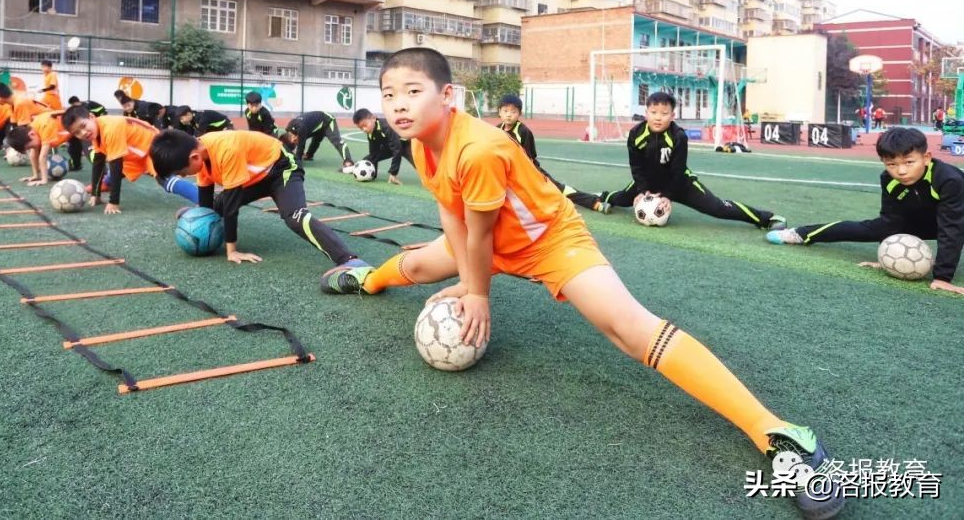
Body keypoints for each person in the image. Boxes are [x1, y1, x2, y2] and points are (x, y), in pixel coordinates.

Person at [321, 48, 843, 519]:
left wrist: (476, 291)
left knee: (628, 329)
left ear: (447, 95)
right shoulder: (419, 145)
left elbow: (477, 235)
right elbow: (454, 220)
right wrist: (464, 276)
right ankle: (365, 277)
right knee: (411, 268)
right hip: (492, 242)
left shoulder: (478, 147)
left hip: (551, 241)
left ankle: (779, 434)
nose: (399, 105)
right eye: (389, 95)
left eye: (413, 91)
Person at [768, 128, 964, 294]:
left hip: (957, 219)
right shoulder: (889, 179)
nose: (901, 171)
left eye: (909, 162)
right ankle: (800, 233)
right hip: (925, 220)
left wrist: (942, 277)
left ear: (926, 158)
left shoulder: (948, 180)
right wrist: (888, 254)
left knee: (953, 232)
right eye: (892, 165)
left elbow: (952, 228)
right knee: (871, 228)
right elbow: (890, 220)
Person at [150, 129, 366, 268]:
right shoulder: (199, 153)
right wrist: (199, 219)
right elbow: (207, 199)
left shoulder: (227, 149)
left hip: (281, 169)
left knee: (294, 216)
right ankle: (191, 214)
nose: (184, 176)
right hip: (254, 177)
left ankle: (348, 259)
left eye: (183, 173)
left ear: (193, 157)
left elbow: (233, 208)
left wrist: (232, 251)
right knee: (216, 206)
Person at [598, 92, 786, 230]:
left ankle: (765, 218)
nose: (658, 117)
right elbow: (636, 166)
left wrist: (667, 196)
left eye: (664, 113)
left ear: (672, 116)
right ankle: (599, 197)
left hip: (680, 183)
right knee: (619, 198)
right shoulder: (636, 134)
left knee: (718, 207)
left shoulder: (678, 136)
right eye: (654, 112)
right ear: (646, 113)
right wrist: (641, 191)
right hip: (648, 183)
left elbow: (678, 171)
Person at [61, 105, 198, 214]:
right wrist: (95, 195)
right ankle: (99, 186)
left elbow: (116, 165)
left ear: (91, 117)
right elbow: (98, 162)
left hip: (153, 148)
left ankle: (204, 199)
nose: (83, 133)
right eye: (77, 133)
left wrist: (113, 202)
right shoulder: (96, 132)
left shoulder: (110, 128)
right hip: (134, 154)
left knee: (164, 180)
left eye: (83, 126)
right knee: (111, 174)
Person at [496, 94, 603, 212]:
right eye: (505, 111)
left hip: (531, 171)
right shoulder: (496, 130)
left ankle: (593, 201)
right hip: (510, 173)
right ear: (499, 112)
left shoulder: (523, 131)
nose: (509, 115)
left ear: (519, 114)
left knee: (556, 188)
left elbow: (528, 159)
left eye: (513, 111)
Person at [5, 111, 71, 186]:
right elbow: (33, 154)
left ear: (31, 134)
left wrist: (44, 180)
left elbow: (43, 157)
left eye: (30, 146)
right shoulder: (33, 129)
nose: (32, 148)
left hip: (77, 128)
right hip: (70, 132)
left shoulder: (45, 127)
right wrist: (35, 176)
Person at [352, 108, 412, 185]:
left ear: (373, 118)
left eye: (364, 125)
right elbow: (374, 154)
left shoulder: (386, 127)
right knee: (367, 160)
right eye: (360, 128)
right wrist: (373, 175)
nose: (364, 129)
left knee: (421, 167)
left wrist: (393, 173)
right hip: (390, 147)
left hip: (406, 145)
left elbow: (397, 149)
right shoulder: (371, 134)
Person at [282, 111, 353, 172]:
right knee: (316, 140)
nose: (295, 146)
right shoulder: (289, 128)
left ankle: (348, 161)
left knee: (336, 141)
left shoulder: (301, 129)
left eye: (294, 145)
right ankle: (309, 155)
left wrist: (296, 161)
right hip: (316, 124)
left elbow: (301, 147)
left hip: (327, 120)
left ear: (293, 139)